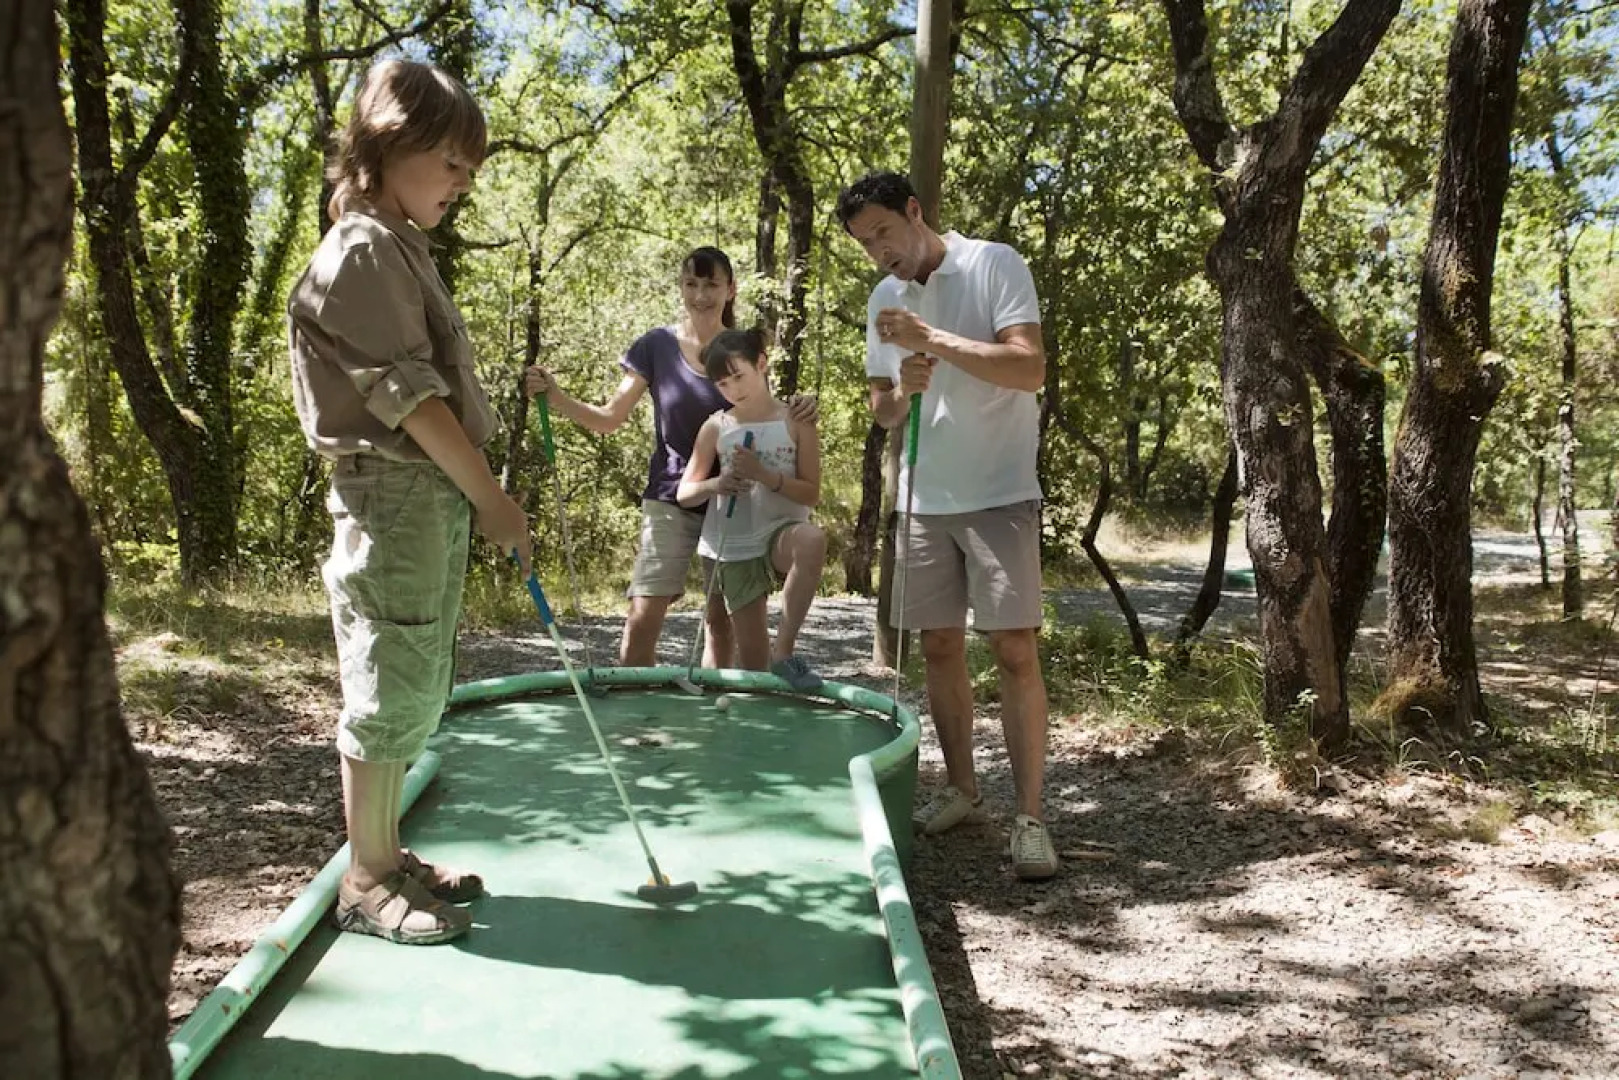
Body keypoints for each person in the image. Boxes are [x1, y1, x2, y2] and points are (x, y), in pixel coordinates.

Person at [287, 59, 531, 943]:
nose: (462, 185)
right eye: (452, 163)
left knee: (417, 678)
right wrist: (493, 499)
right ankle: (362, 878)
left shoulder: (395, 245)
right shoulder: (358, 250)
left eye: (471, 169)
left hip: (422, 498)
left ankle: (387, 854)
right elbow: (411, 399)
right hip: (393, 493)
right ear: (390, 145)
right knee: (389, 678)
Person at [837, 170, 1058, 881]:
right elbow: (882, 412)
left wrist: (933, 338)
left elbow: (1029, 370)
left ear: (913, 211)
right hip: (921, 496)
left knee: (1014, 648)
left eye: (883, 233)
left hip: (998, 490)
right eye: (864, 246)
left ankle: (1029, 819)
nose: (879, 253)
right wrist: (901, 387)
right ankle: (962, 791)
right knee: (937, 646)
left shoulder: (993, 263)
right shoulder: (883, 299)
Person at [524, 249, 815, 668]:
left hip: (740, 499)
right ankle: (636, 726)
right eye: (691, 284)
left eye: (711, 284)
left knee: (720, 623)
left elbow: (764, 408)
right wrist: (556, 396)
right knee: (643, 615)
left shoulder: (740, 346)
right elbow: (610, 418)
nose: (700, 294)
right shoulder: (656, 346)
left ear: (730, 289)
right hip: (672, 493)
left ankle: (719, 723)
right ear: (680, 287)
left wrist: (801, 407)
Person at [675, 329, 827, 691]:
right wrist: (718, 484)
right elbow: (685, 492)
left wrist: (763, 474)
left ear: (762, 364)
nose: (733, 390)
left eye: (739, 376)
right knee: (753, 667)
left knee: (812, 540)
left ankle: (785, 651)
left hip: (781, 532)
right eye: (722, 383)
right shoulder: (717, 426)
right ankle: (745, 734)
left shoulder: (797, 419)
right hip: (734, 544)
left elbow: (811, 493)